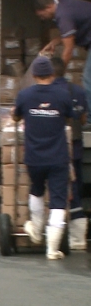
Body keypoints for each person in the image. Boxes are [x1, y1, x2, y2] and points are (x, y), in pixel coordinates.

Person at [13, 56, 74, 260]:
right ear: (52, 74)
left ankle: (37, 232)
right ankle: (52, 249)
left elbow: (15, 116)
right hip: (58, 157)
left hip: (34, 157)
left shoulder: (24, 95)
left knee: (36, 191)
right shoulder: (62, 95)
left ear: (34, 75)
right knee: (57, 201)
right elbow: (69, 116)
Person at [51, 57, 88, 250]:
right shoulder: (78, 91)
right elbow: (82, 119)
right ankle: (78, 237)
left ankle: (68, 234)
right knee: (76, 189)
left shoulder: (50, 93)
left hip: (58, 148)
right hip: (77, 147)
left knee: (64, 191)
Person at [35, 0, 91, 111]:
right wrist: (55, 42)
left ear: (48, 7)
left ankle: (89, 119)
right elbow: (71, 30)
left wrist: (57, 75)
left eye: (42, 15)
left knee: (87, 78)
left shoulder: (62, 14)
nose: (42, 18)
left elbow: (68, 50)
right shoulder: (63, 2)